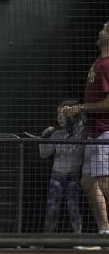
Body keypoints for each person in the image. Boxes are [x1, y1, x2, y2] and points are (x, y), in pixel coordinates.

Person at [63, 21, 109, 234]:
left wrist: (80, 108)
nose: (100, 31)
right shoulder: (99, 62)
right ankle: (104, 232)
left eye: (105, 29)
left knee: (102, 181)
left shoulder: (107, 64)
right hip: (93, 132)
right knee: (88, 182)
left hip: (104, 131)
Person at [39, 100, 85, 234]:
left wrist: (76, 111)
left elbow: (83, 117)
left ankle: (79, 237)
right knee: (52, 208)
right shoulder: (56, 133)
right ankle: (45, 238)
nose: (60, 117)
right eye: (58, 114)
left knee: (73, 207)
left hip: (73, 176)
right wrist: (44, 136)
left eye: (63, 114)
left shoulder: (80, 130)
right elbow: (44, 154)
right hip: (57, 176)